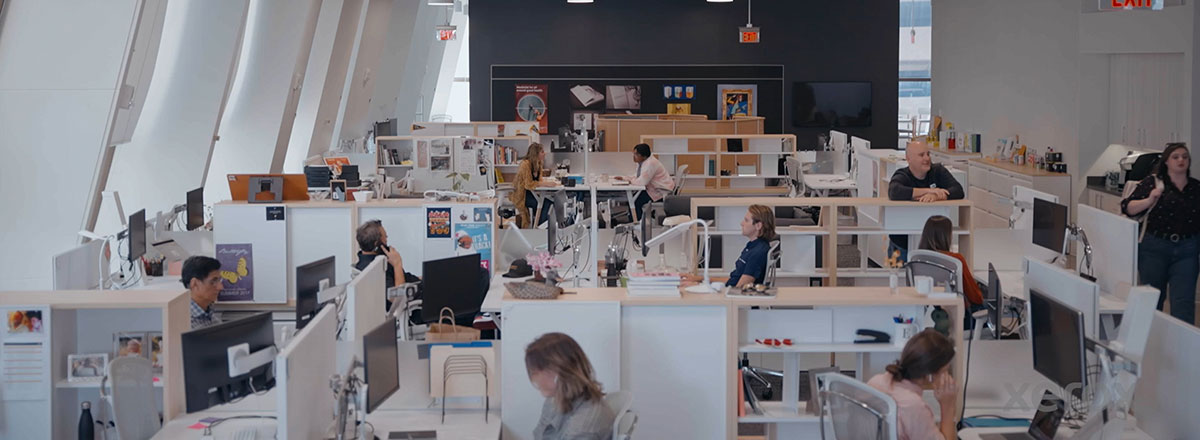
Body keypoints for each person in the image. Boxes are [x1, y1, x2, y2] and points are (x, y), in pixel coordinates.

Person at [1121, 142, 1199, 325]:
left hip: (1188, 249)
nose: (1181, 160)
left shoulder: (1196, 188)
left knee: (1184, 302)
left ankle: (1182, 347)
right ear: (1166, 161)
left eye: (1185, 157)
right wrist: (1149, 199)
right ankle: (1150, 341)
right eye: (1176, 157)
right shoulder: (1153, 183)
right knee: (1153, 298)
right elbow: (1128, 207)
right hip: (1154, 247)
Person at [867, 329, 958, 440]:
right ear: (930, 375)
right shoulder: (915, 406)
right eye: (946, 370)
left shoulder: (875, 381)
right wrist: (948, 407)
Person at [526, 332, 615, 440]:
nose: (533, 377)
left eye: (535, 371)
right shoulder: (554, 400)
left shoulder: (584, 428)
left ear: (557, 371)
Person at [888, 142, 965, 259]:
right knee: (900, 276)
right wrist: (929, 191)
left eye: (928, 154)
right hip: (903, 242)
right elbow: (895, 191)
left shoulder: (938, 171)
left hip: (934, 243)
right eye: (921, 155)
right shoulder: (902, 175)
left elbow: (958, 190)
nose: (927, 158)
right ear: (909, 159)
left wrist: (936, 196)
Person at [917, 215, 984, 306]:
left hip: (926, 309)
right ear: (946, 236)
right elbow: (974, 297)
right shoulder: (955, 260)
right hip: (955, 311)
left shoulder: (918, 258)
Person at [615, 143, 675, 219]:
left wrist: (630, 181)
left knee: (634, 201)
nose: (634, 156)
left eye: (636, 154)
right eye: (633, 153)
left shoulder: (651, 164)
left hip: (660, 191)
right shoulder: (642, 162)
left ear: (644, 156)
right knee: (632, 197)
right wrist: (624, 178)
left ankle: (636, 223)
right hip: (652, 188)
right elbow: (637, 176)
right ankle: (633, 217)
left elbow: (642, 182)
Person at [356, 220, 420, 289]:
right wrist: (397, 264)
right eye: (385, 237)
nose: (387, 240)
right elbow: (397, 297)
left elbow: (408, 278)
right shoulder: (373, 270)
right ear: (377, 244)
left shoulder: (381, 259)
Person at [725, 205, 778, 288]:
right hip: (729, 288)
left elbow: (740, 288)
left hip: (732, 295)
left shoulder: (758, 252)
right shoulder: (753, 245)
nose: (741, 223)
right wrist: (703, 279)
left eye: (746, 220)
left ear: (758, 226)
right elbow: (734, 278)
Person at [510, 143, 558, 228]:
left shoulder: (538, 164)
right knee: (546, 204)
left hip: (532, 194)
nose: (545, 153)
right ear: (535, 154)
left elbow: (539, 181)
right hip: (522, 196)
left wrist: (546, 183)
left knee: (550, 203)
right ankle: (541, 229)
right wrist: (546, 184)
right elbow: (528, 184)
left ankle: (542, 226)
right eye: (542, 152)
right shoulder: (525, 164)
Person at [180, 256, 223, 329]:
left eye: (219, 280)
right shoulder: (185, 323)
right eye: (213, 281)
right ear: (194, 283)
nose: (220, 287)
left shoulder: (209, 313)